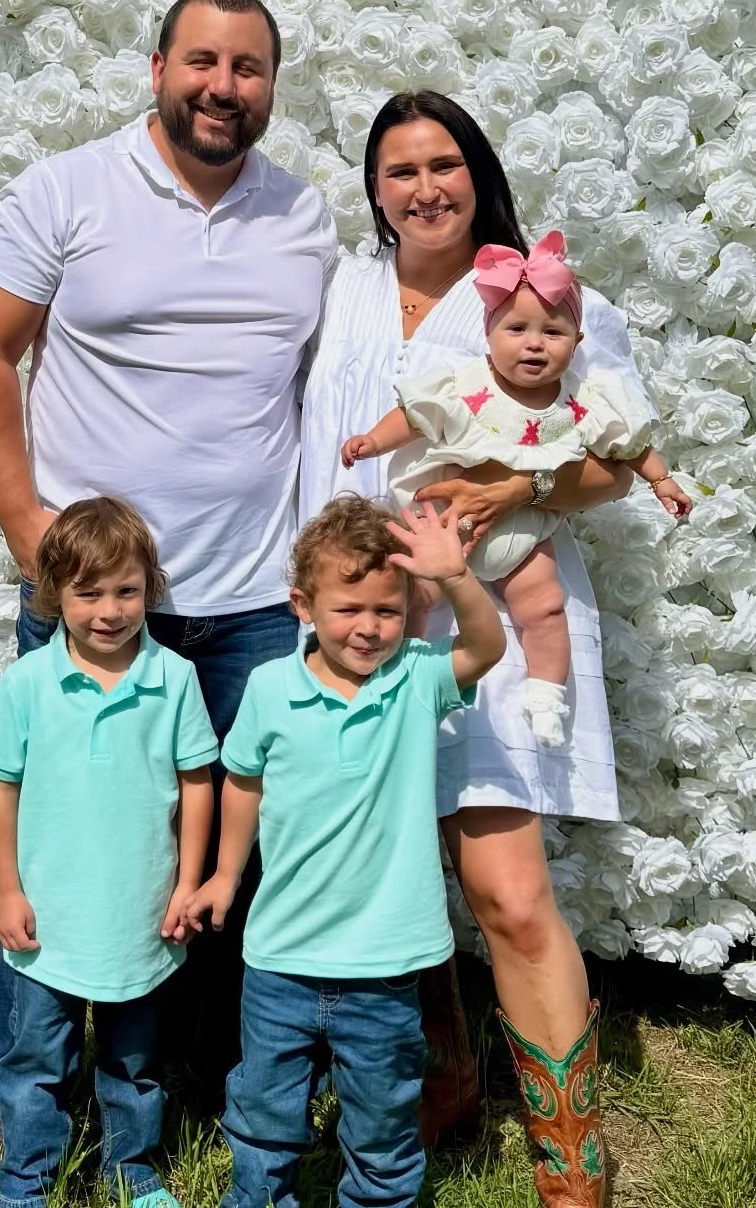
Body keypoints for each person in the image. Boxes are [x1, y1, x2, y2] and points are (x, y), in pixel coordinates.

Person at [0, 0, 337, 1192]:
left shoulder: (301, 215)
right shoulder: (66, 190)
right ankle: (8, 1092)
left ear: (271, 84)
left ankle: (174, 1081)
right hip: (95, 598)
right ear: (157, 65)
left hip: (252, 599)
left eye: (249, 67)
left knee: (219, 859)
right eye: (201, 59)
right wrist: (21, 519)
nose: (223, 84)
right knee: (53, 836)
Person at [300, 90, 653, 1208]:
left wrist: (515, 480)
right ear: (374, 189)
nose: (423, 188)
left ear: (479, 172)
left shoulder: (541, 293)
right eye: (398, 170)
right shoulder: (341, 288)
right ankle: (444, 1084)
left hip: (494, 619)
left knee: (505, 887)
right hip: (357, 624)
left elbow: (613, 456)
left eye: (443, 163)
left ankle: (571, 1166)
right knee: (386, 867)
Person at [186, 495, 506, 1208]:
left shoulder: (415, 679)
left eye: (387, 612)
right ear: (303, 604)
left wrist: (455, 576)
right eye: (348, 609)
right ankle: (261, 1197)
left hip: (387, 961)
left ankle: (379, 1198)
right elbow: (242, 782)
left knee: (385, 1115)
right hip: (280, 958)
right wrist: (223, 875)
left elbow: (487, 648)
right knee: (264, 1109)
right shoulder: (270, 689)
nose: (369, 628)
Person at [342, 230, 690, 747]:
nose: (534, 343)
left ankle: (547, 696)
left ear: (577, 342)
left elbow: (627, 447)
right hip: (449, 523)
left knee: (545, 607)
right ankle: (395, 678)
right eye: (517, 329)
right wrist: (372, 440)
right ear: (490, 334)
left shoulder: (583, 400)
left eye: (553, 332)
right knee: (416, 592)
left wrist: (661, 479)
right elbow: (416, 417)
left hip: (525, 532)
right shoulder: (467, 385)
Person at [0, 497, 217, 1208]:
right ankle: (26, 1181)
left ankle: (130, 1169)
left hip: (143, 913)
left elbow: (197, 784)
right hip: (49, 917)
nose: (109, 610)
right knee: (36, 1060)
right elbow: (0, 790)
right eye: (88, 593)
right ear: (53, 595)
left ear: (150, 590)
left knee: (136, 1062)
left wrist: (188, 883)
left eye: (127, 591)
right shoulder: (28, 684)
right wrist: (8, 890)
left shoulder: (174, 679)